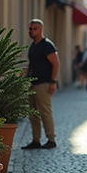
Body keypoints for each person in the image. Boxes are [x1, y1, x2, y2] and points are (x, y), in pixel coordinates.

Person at [23, 19, 60, 150]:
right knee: (33, 113)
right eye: (30, 29)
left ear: (41, 30)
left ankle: (51, 139)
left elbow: (56, 63)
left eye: (34, 29)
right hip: (32, 83)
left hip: (44, 83)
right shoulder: (33, 46)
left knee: (45, 112)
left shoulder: (47, 45)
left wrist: (53, 82)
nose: (31, 31)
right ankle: (36, 140)